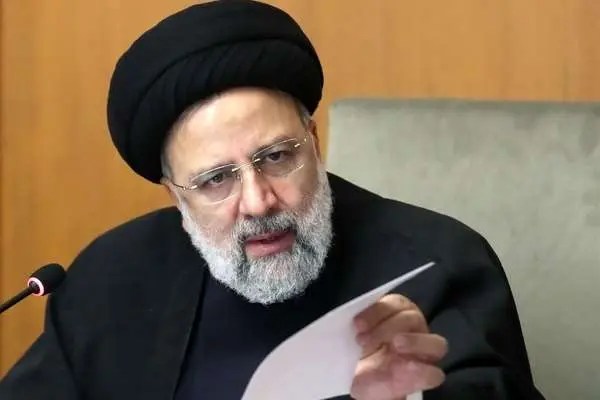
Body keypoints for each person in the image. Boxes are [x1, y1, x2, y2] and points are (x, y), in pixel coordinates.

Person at [0, 1, 545, 399]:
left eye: (277, 156)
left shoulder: (439, 263)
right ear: (176, 196)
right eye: (216, 179)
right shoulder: (111, 279)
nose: (258, 202)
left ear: (314, 142)